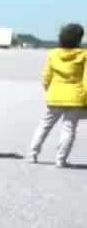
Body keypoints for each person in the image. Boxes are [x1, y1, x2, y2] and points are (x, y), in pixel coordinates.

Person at [27, 23, 87, 167]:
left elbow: (46, 76)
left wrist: (49, 90)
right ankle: (60, 160)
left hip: (55, 95)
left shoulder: (53, 54)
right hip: (76, 97)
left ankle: (32, 154)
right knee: (69, 129)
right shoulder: (84, 55)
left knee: (44, 125)